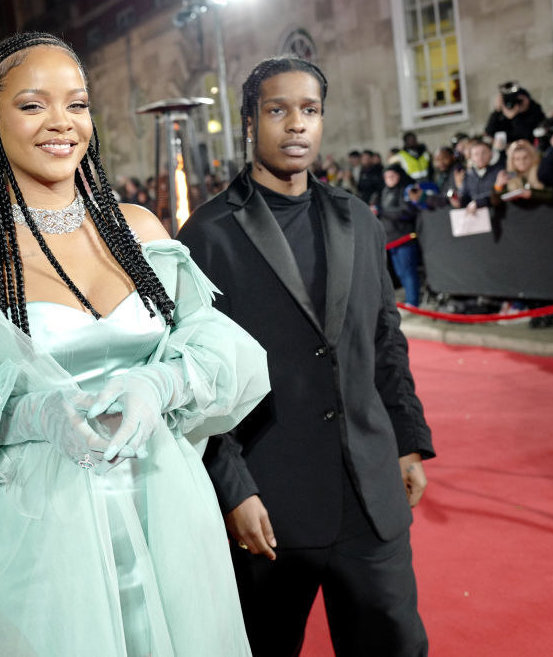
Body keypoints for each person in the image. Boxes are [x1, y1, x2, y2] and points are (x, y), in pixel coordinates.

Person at [0, 31, 270, 656]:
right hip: (43, 539)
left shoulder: (140, 230)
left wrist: (162, 383)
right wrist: (31, 414)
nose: (61, 123)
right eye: (32, 104)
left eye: (77, 104)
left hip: (171, 512)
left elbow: (219, 350)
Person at [177, 55, 434, 656]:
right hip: (270, 506)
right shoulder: (206, 235)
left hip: (370, 495)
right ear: (250, 122)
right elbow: (197, 383)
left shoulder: (358, 219)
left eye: (309, 111)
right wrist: (234, 489)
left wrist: (406, 439)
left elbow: (384, 339)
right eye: (278, 110)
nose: (296, 125)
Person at [376, 164, 424, 307]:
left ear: (399, 175)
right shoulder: (384, 191)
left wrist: (384, 211)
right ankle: (410, 298)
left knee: (408, 271)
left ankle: (413, 301)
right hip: (390, 239)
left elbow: (407, 213)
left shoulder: (406, 190)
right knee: (400, 272)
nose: (389, 179)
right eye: (386, 176)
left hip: (404, 238)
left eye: (392, 176)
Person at [491, 139, 551, 205]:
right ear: (512, 161)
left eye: (525, 158)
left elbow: (552, 194)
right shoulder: (509, 175)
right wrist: (498, 186)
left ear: (532, 157)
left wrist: (532, 194)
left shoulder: (541, 170)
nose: (521, 162)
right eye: (517, 159)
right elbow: (496, 202)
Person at [485, 81, 545, 145]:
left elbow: (524, 135)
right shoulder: (502, 115)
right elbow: (489, 132)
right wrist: (497, 111)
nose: (515, 103)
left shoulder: (534, 111)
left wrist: (514, 117)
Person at [458, 137, 503, 209]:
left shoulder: (500, 171)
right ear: (471, 157)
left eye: (484, 153)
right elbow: (463, 195)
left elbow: (501, 195)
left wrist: (478, 202)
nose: (480, 157)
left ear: (491, 153)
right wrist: (457, 199)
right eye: (476, 154)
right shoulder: (468, 174)